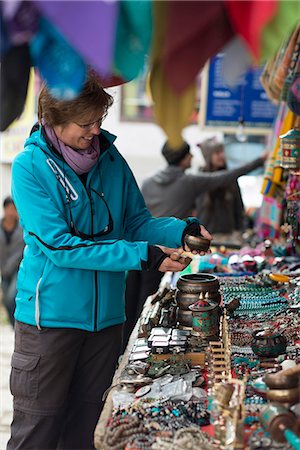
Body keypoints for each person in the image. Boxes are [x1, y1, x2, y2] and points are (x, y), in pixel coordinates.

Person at [7, 71, 212, 450]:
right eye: (85, 123)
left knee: (89, 427)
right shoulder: (29, 168)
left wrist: (179, 232)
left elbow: (135, 221)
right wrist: (143, 257)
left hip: (106, 322)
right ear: (54, 120)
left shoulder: (110, 158)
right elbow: (61, 247)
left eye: (99, 121)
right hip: (50, 320)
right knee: (38, 429)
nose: (94, 131)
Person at [123, 140, 266, 348]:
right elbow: (226, 177)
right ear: (183, 158)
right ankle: (138, 347)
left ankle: (127, 348)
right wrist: (260, 160)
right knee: (149, 303)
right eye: (189, 154)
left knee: (132, 303)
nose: (192, 158)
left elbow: (139, 220)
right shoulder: (188, 181)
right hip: (163, 253)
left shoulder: (148, 182)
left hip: (138, 249)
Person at [195, 137, 256, 243]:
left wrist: (240, 231)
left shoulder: (230, 179)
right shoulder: (199, 180)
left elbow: (238, 207)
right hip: (205, 236)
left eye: (222, 152)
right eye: (217, 153)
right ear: (208, 156)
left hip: (229, 236)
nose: (222, 156)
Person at [0, 196, 24, 326]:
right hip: (3, 269)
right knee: (5, 300)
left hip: (17, 268)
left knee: (11, 298)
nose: (10, 212)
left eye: (13, 209)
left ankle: (16, 325)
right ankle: (13, 325)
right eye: (8, 209)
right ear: (4, 210)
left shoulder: (22, 229)